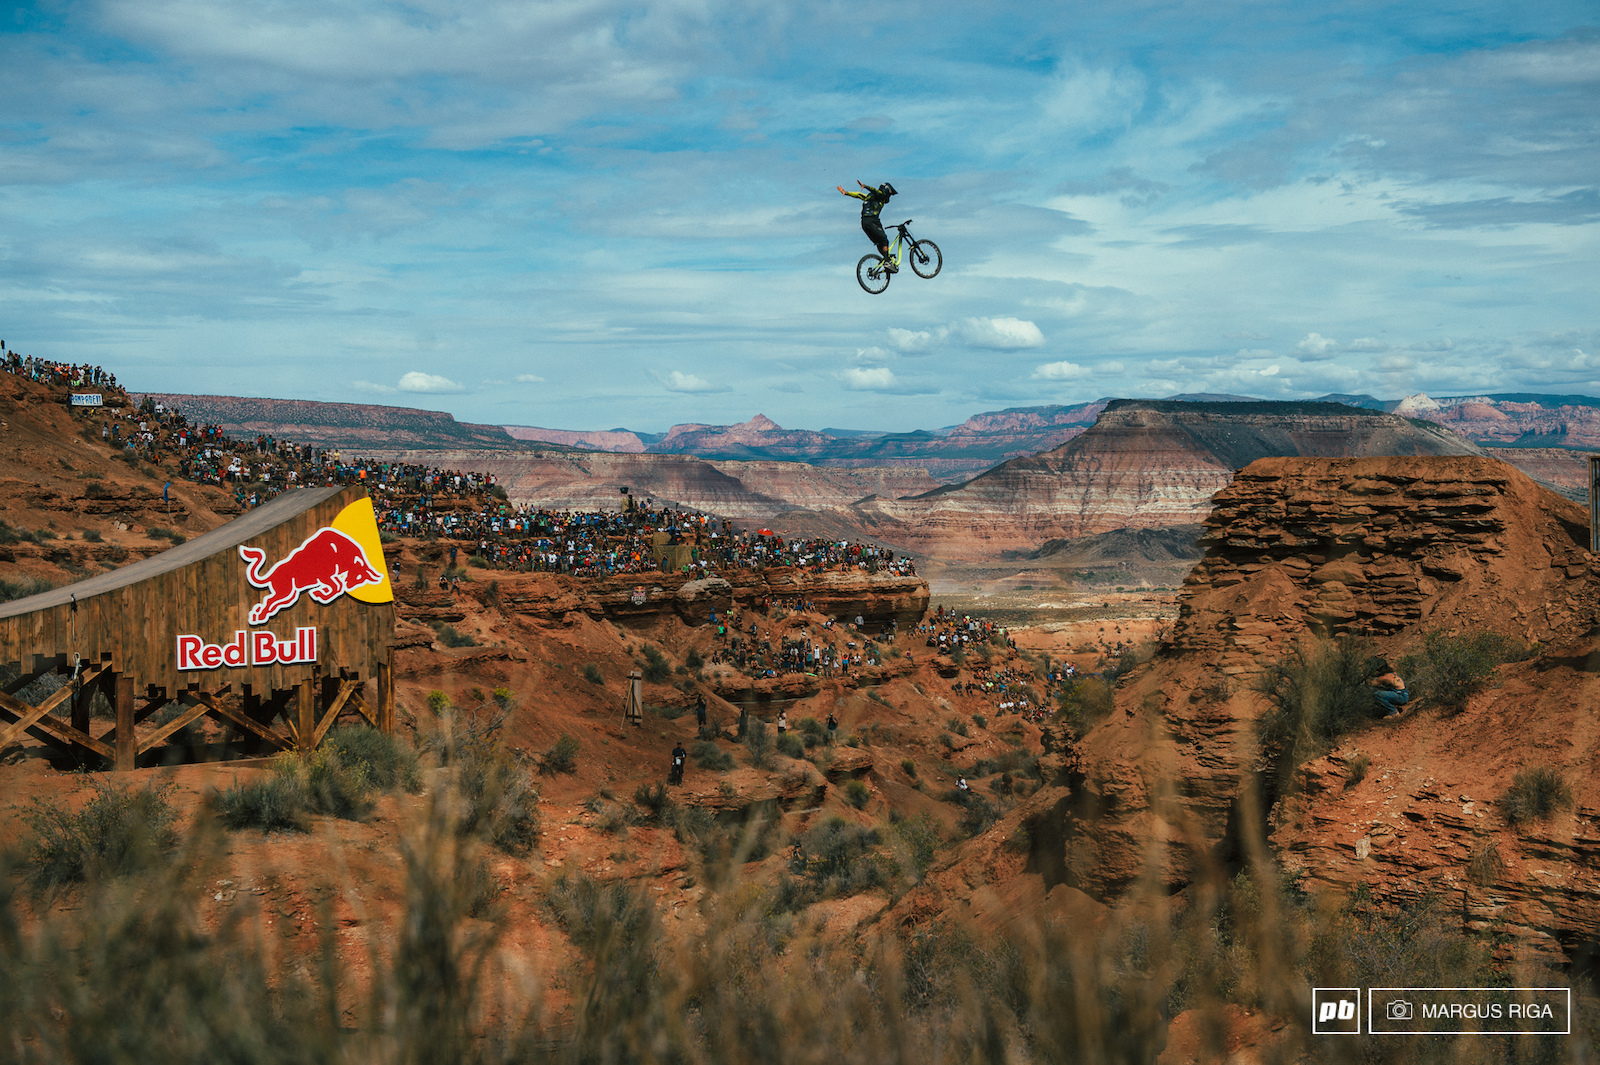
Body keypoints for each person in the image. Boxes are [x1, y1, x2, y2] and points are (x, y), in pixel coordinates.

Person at [837, 180, 898, 271]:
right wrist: (865, 186)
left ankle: (886, 258)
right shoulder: (879, 196)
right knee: (884, 240)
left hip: (864, 223)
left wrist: (846, 193)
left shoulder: (869, 197)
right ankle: (887, 261)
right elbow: (875, 191)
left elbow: (859, 195)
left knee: (879, 242)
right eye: (889, 194)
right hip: (872, 220)